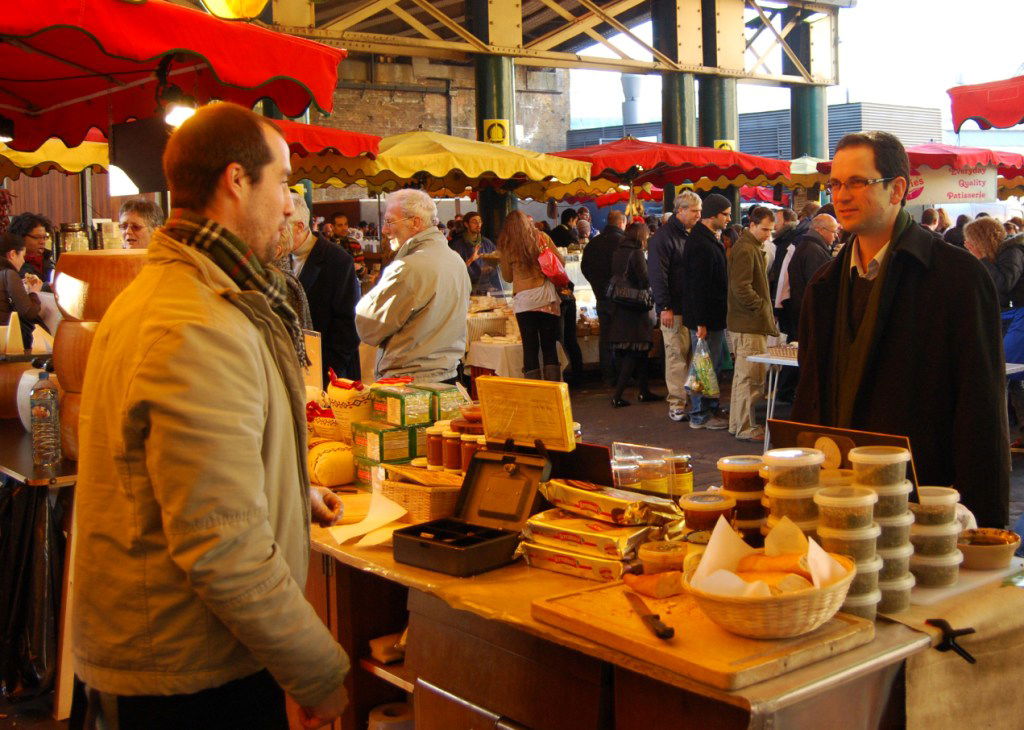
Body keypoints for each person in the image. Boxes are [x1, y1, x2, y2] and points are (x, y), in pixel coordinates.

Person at [72, 102, 349, 730]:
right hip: (184, 681)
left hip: (174, 660)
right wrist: (317, 672)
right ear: (236, 180)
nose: (289, 205)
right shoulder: (196, 322)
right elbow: (222, 544)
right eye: (282, 182)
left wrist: (285, 488)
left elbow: (182, 476)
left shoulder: (185, 293)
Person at [793, 130, 1009, 528]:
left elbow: (982, 413)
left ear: (897, 190)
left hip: (925, 505)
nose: (840, 195)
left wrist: (985, 525)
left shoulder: (957, 277)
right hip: (840, 503)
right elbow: (811, 397)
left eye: (858, 182)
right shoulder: (823, 286)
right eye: (836, 183)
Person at [355, 189, 469, 382]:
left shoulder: (407, 268)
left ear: (415, 223)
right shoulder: (455, 259)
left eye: (390, 221)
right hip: (448, 376)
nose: (384, 230)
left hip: (410, 383)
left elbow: (368, 328)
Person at [290, 192, 362, 383]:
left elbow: (348, 324)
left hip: (327, 372)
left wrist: (326, 373)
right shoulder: (279, 258)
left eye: (280, 227)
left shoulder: (337, 260)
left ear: (299, 227)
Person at [726, 208, 779, 441]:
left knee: (743, 378)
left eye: (771, 230)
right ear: (753, 225)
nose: (768, 234)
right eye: (765, 229)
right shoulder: (747, 249)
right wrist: (761, 306)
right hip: (749, 324)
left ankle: (738, 424)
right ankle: (745, 427)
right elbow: (741, 288)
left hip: (747, 322)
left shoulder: (749, 247)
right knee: (750, 379)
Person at [649, 190, 702, 422]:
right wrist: (665, 306)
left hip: (690, 308)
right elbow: (657, 275)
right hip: (674, 309)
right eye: (694, 211)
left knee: (691, 357)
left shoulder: (691, 234)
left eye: (700, 211)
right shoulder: (663, 237)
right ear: (680, 211)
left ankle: (691, 399)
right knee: (676, 356)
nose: (699, 215)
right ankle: (677, 402)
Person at [681, 193, 731, 430]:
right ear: (714, 215)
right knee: (704, 365)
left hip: (713, 316)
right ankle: (700, 414)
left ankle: (709, 408)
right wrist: (700, 322)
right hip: (706, 318)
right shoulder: (700, 243)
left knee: (711, 364)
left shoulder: (708, 238)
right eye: (726, 215)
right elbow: (696, 285)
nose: (729, 219)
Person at [498, 210, 563, 381]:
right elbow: (560, 262)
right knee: (549, 346)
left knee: (530, 347)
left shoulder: (506, 245)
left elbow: (507, 277)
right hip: (545, 297)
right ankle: (553, 389)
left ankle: (534, 391)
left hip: (524, 301)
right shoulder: (541, 237)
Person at [608, 222, 662, 407]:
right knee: (635, 350)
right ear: (640, 235)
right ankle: (617, 395)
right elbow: (644, 279)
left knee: (639, 352)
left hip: (622, 306)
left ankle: (643, 391)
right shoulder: (637, 253)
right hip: (636, 307)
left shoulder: (618, 251)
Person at [581, 210, 626, 385]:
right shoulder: (623, 243)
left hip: (601, 297)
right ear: (622, 223)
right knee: (622, 337)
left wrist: (597, 285)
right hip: (622, 299)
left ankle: (607, 375)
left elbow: (585, 268)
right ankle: (623, 375)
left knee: (605, 337)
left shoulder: (593, 243)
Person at [786, 213, 839, 332]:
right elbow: (819, 288)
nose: (836, 236)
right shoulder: (813, 251)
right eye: (834, 232)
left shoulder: (808, 246)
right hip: (812, 315)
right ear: (820, 230)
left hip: (805, 312)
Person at [965, 216, 1024, 309]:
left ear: (982, 239)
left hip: (1017, 311)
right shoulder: (997, 251)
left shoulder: (1012, 251)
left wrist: (981, 257)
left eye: (972, 240)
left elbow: (1004, 284)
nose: (969, 243)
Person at [0, 232, 43, 337]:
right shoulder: (9, 274)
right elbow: (29, 312)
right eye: (23, 256)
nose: (23, 261)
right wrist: (34, 292)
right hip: (5, 338)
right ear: (12, 254)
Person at [449, 211, 501, 295]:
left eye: (480, 221)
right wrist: (471, 259)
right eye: (474, 222)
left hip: (486, 287)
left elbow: (498, 262)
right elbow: (453, 272)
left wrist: (491, 268)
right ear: (466, 224)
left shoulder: (486, 243)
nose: (478, 224)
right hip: (465, 288)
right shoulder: (457, 244)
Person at [9, 212, 54, 288]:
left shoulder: (47, 260)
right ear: (21, 237)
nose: (42, 242)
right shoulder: (15, 262)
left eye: (44, 237)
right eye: (37, 237)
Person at [331, 212, 365, 276]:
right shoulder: (328, 244)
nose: (344, 228)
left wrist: (360, 269)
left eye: (345, 224)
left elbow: (362, 267)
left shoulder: (354, 243)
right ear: (332, 227)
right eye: (340, 225)